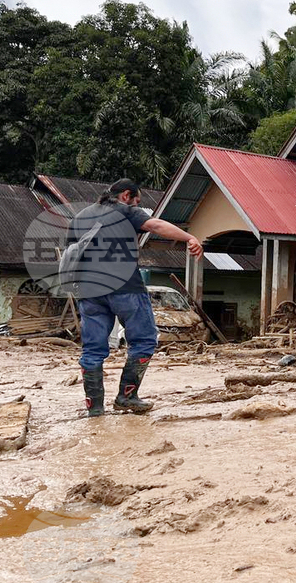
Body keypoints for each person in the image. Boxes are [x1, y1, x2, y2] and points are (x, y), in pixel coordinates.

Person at [69, 178, 203, 417]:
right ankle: (126, 397)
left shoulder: (81, 217)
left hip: (90, 290)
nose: (137, 205)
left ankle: (95, 410)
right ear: (126, 195)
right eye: (137, 200)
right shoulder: (125, 210)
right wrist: (189, 238)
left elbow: (71, 253)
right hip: (124, 286)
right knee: (144, 340)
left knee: (92, 350)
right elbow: (156, 226)